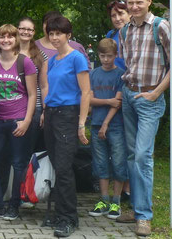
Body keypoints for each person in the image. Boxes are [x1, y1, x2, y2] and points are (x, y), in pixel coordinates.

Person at [117, 0, 170, 236]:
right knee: (131, 155)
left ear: (149, 1)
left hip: (150, 98)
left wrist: (157, 92)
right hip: (129, 95)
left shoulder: (160, 26)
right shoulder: (125, 29)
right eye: (130, 3)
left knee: (142, 156)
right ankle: (137, 209)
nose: (134, 7)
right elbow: (129, 63)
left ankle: (145, 216)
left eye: (139, 2)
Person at [42, 15, 90, 237]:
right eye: (51, 33)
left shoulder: (77, 58)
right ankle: (60, 214)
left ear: (68, 35)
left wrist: (81, 124)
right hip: (51, 114)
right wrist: (45, 112)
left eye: (58, 33)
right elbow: (51, 90)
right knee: (56, 166)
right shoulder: (52, 60)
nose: (54, 37)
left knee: (63, 168)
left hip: (68, 116)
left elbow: (86, 92)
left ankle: (69, 218)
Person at [0, 24, 37, 221]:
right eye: (2, 37)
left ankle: (14, 205)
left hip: (18, 121)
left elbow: (32, 94)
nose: (5, 40)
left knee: (18, 164)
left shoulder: (25, 63)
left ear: (16, 40)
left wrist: (27, 120)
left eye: (10, 37)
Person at [87, 38, 126, 220]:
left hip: (115, 125)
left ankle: (116, 202)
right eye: (102, 56)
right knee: (100, 163)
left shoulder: (121, 75)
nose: (105, 59)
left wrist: (105, 123)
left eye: (109, 56)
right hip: (95, 125)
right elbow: (89, 100)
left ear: (115, 55)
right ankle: (103, 200)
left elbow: (117, 103)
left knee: (118, 162)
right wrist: (107, 101)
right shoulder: (93, 74)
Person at [17, 17, 48, 154]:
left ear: (34, 32)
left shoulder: (41, 56)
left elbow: (44, 85)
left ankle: (29, 176)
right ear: (17, 30)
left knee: (29, 151)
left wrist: (44, 110)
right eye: (22, 28)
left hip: (35, 108)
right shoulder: (7, 52)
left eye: (29, 29)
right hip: (12, 108)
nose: (25, 32)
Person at [105, 0, 130, 70]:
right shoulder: (110, 34)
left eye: (120, 14)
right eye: (113, 16)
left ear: (130, 14)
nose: (117, 19)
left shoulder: (137, 33)